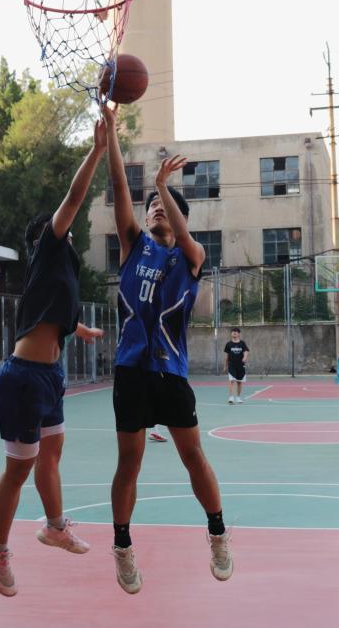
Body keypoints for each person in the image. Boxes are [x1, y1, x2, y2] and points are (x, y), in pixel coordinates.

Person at [105, 104, 232, 594]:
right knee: (129, 462)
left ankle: (218, 534)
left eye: (164, 206)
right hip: (131, 371)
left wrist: (162, 186)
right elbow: (120, 189)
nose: (156, 209)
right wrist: (111, 133)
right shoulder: (134, 247)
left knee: (193, 456)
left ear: (179, 219)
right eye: (153, 206)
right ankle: (122, 546)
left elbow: (185, 235)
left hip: (171, 372)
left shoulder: (190, 256)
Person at [0, 117, 107, 597]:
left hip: (50, 375)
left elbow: (60, 316)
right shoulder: (50, 247)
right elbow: (72, 199)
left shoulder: (62, 273)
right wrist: (96, 151)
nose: (69, 230)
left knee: (52, 454)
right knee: (19, 469)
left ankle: (55, 527)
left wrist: (83, 329)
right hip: (23, 378)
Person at [224, 327, 249, 404]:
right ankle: (231, 397)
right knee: (231, 380)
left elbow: (246, 351)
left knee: (239, 382)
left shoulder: (242, 343)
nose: (234, 332)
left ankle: (238, 397)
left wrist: (245, 357)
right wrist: (225, 366)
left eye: (236, 331)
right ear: (231, 334)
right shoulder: (228, 344)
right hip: (231, 365)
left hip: (241, 366)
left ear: (239, 334)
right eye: (233, 331)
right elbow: (226, 356)